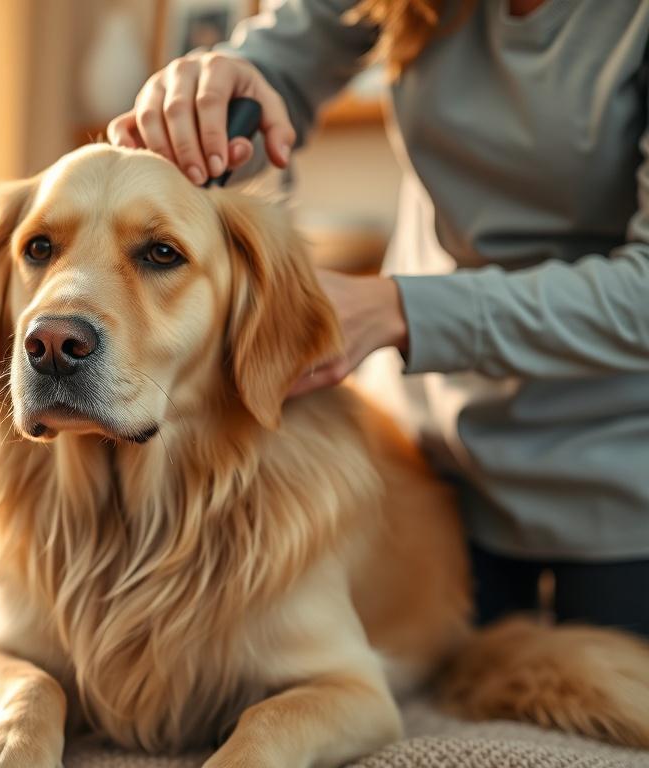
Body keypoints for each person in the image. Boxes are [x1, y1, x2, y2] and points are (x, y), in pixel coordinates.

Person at [109, 0, 649, 637]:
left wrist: (398, 308)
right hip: (423, 463)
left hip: (616, 481)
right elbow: (279, 67)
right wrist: (223, 89)